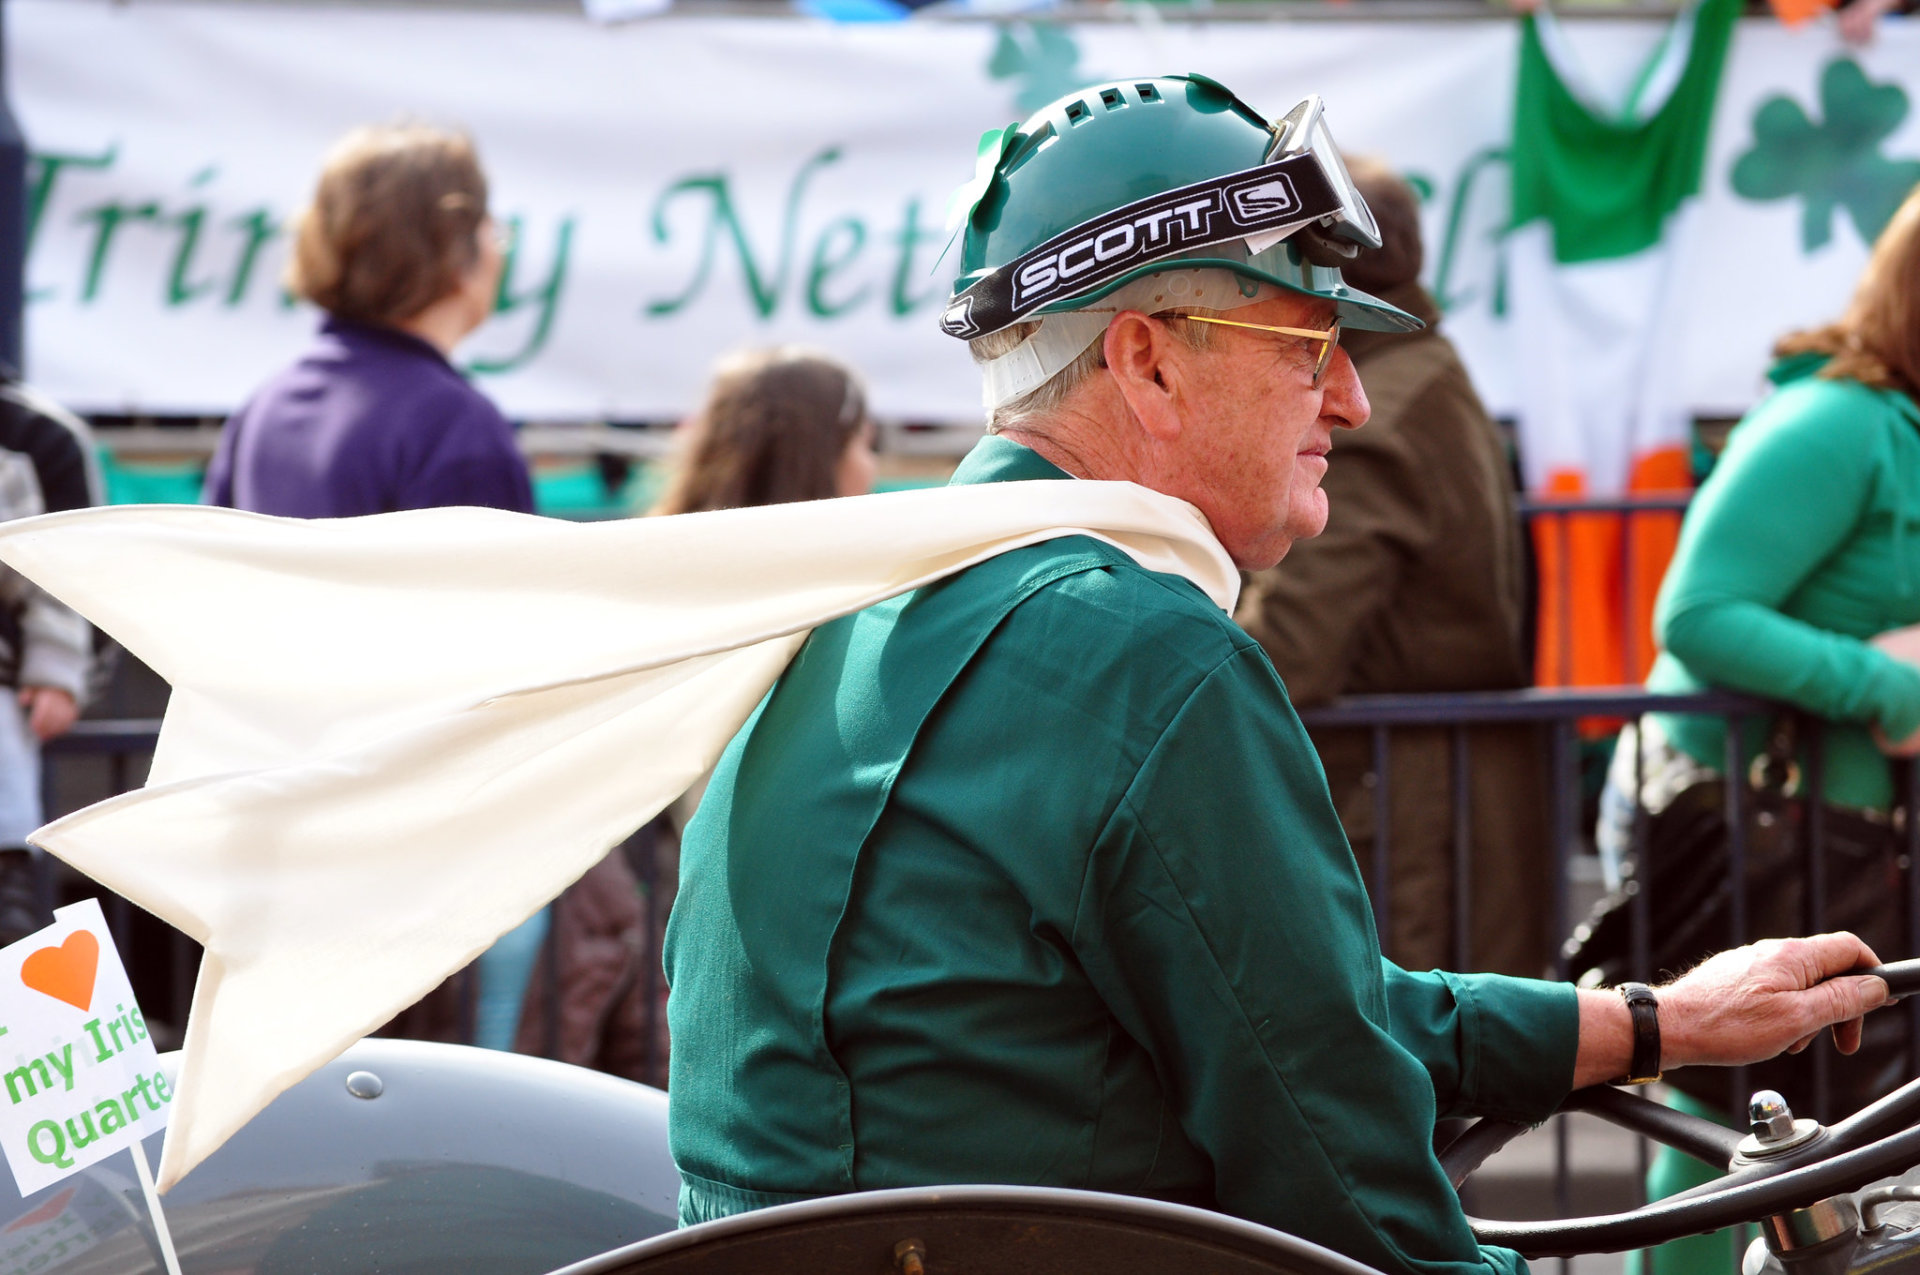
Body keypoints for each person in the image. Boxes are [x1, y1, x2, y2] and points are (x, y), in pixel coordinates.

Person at [663, 74, 1891, 1275]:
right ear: (1145, 363)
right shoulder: (1147, 655)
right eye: (1309, 344)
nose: (1351, 399)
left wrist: (1653, 1024)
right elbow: (1344, 1168)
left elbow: (1303, 1009)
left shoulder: (857, 607)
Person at [1587, 182, 1920, 1275]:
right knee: (1733, 1123)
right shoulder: (1838, 421)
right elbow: (1695, 613)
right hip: (1750, 829)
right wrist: (1887, 688)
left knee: (1796, 1129)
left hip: (1847, 842)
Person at [1233, 159, 1546, 977]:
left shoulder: (1376, 411)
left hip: (1412, 818)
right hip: (1433, 795)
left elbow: (1290, 647)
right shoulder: (1418, 362)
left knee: (1405, 1079)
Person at [203, 121, 533, 518]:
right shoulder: (455, 427)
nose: (500, 253)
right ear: (454, 248)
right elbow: (498, 580)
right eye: (492, 231)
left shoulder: (267, 405)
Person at [0, 375, 103, 941]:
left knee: (12, 929)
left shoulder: (35, 433)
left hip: (5, 713)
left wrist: (58, 667)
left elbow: (71, 562)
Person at [652, 346, 878, 516]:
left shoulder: (656, 553)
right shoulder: (856, 569)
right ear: (819, 457)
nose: (872, 466)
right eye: (865, 443)